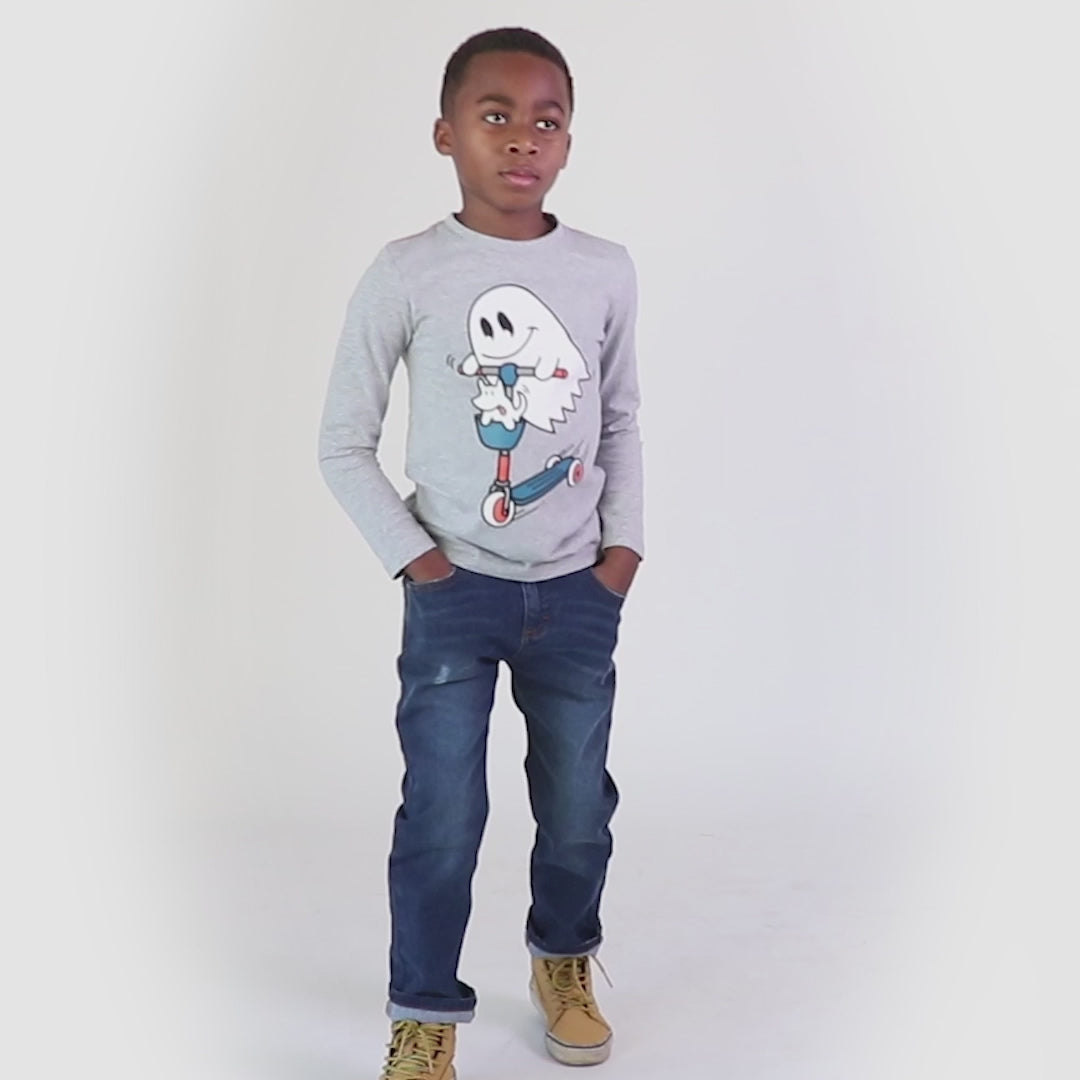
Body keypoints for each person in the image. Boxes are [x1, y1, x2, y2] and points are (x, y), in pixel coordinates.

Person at [317, 25, 644, 1080]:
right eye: (494, 116)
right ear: (445, 133)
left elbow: (620, 419)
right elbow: (342, 441)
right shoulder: (408, 272)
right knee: (444, 816)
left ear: (569, 141)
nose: (521, 139)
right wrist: (420, 562)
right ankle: (424, 1014)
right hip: (454, 593)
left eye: (547, 120)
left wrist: (623, 552)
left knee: (579, 811)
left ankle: (564, 960)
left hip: (578, 593)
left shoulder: (603, 269)